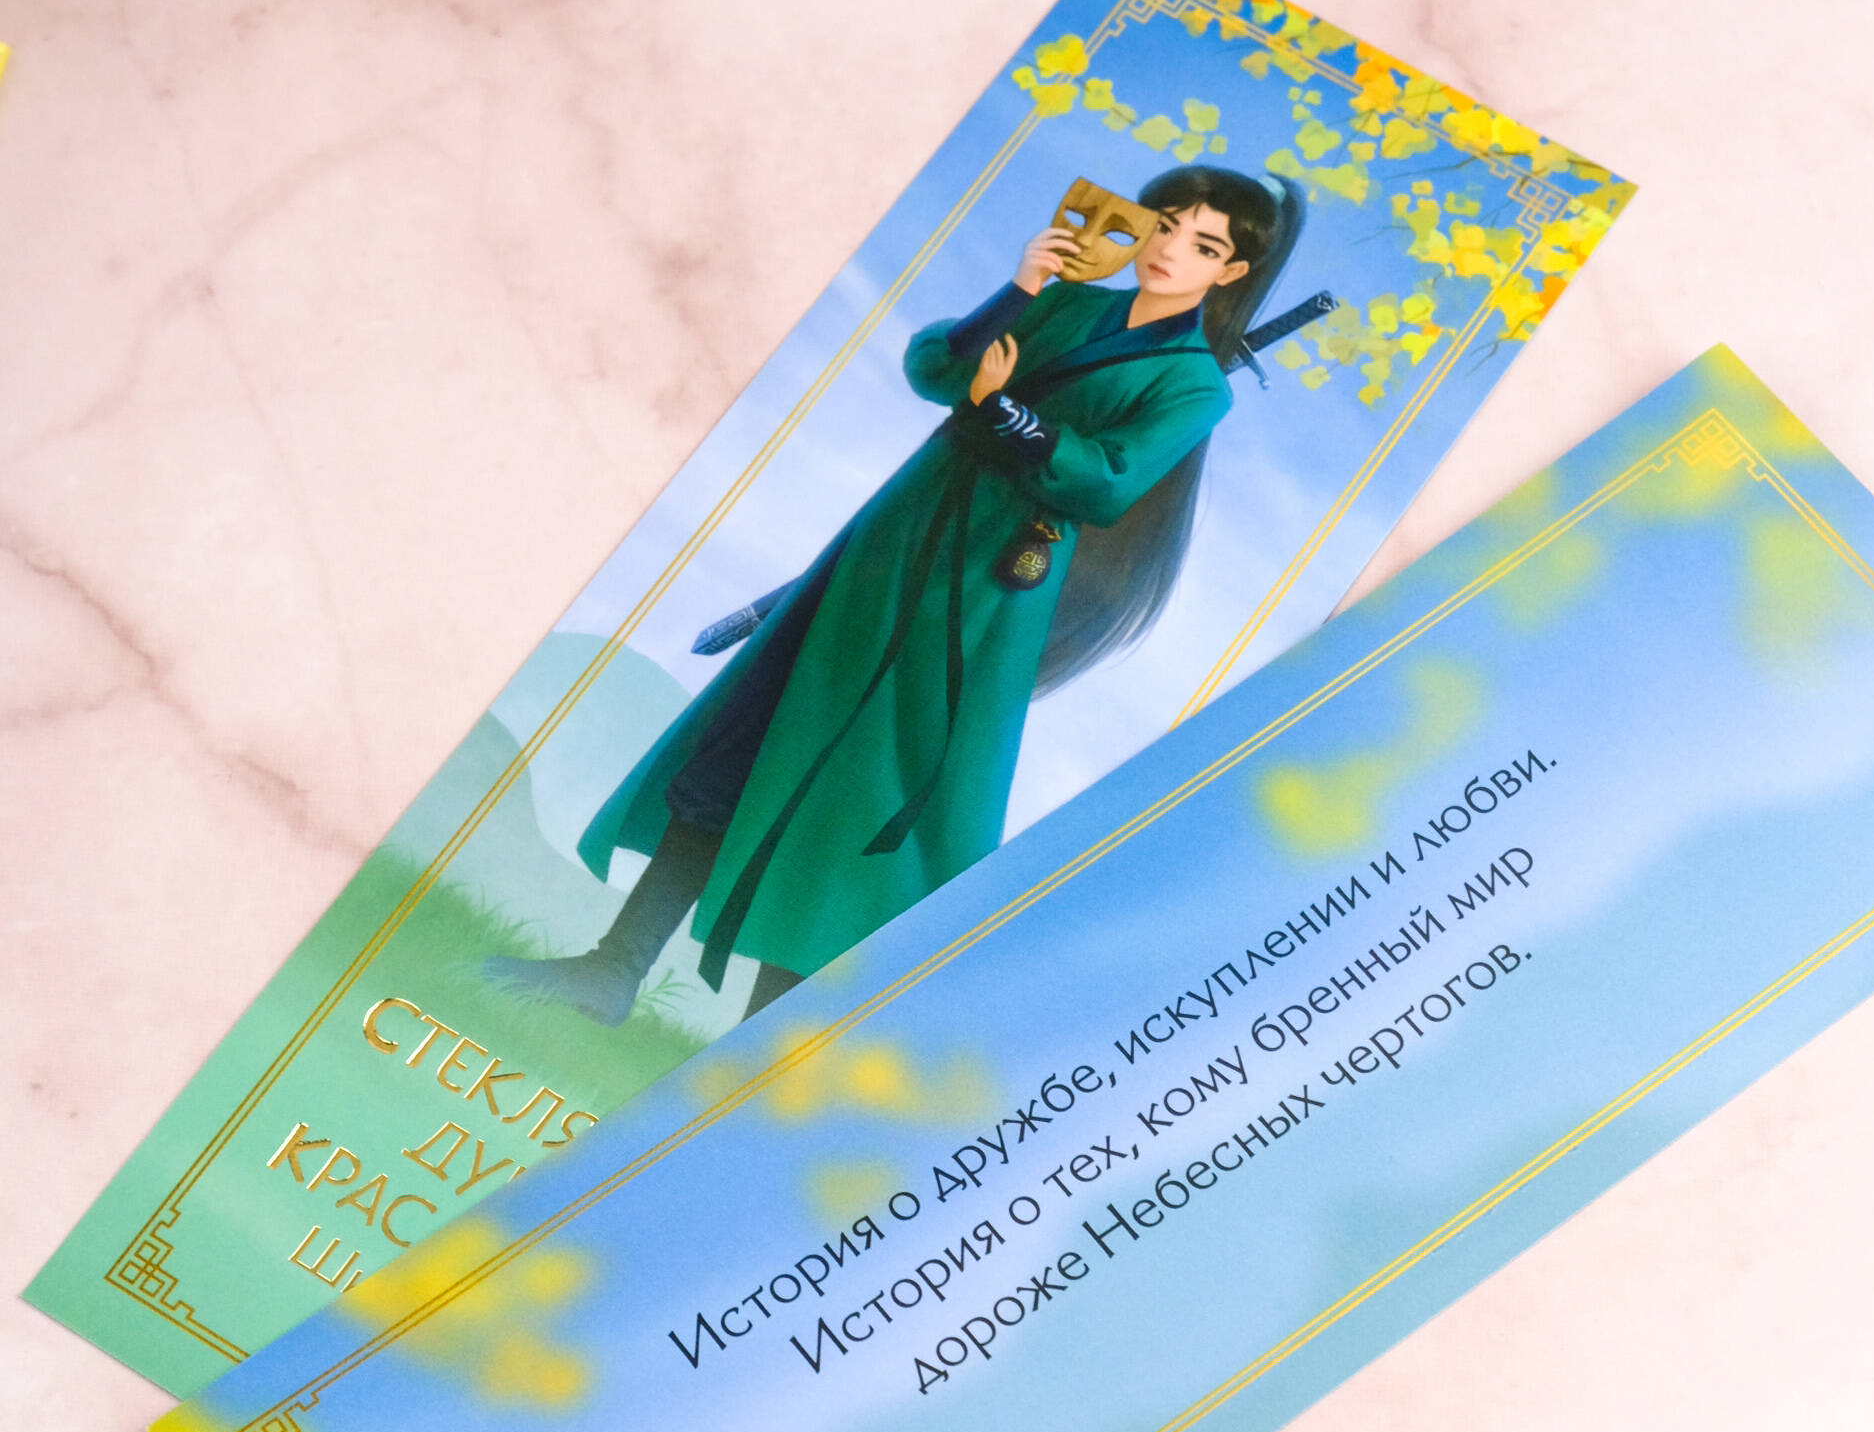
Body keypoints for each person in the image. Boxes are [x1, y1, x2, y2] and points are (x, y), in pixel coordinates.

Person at [486, 165, 1303, 1026]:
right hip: (888, 547)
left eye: (1203, 245)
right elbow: (936, 369)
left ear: (1230, 272)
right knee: (749, 740)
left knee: (864, 805)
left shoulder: (1196, 386)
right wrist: (1020, 290)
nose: (1170, 250)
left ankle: (754, 1051)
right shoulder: (1066, 300)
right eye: (1164, 224)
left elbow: (1105, 481)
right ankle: (613, 971)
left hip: (978, 596)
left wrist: (1004, 413)